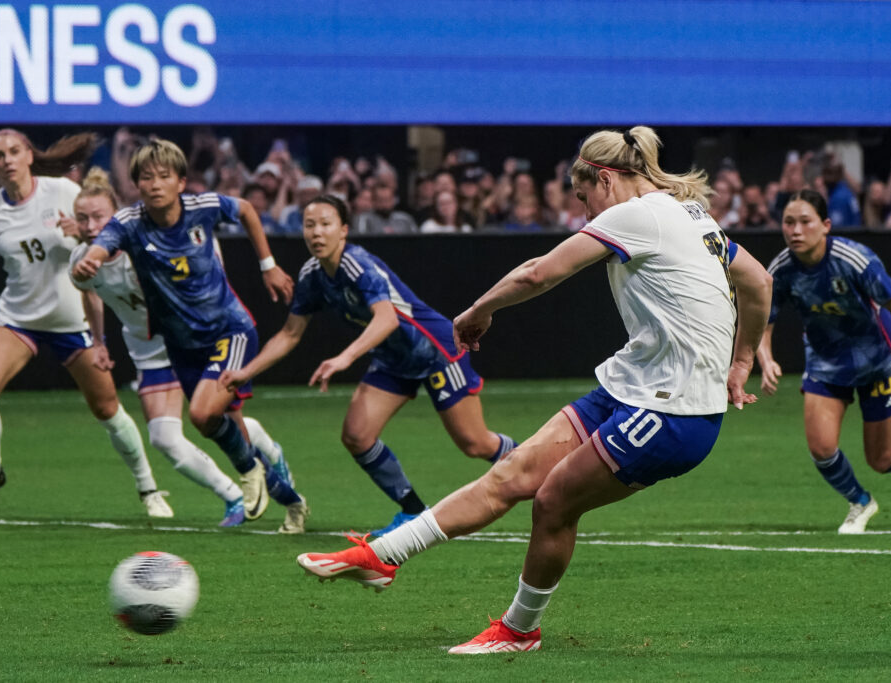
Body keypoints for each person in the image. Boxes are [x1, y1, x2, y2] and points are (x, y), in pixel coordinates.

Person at [295, 126, 773, 654]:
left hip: (674, 412)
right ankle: (384, 554)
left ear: (605, 179)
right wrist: (743, 358)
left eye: (583, 195)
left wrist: (478, 311)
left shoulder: (636, 213)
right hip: (633, 386)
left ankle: (520, 630)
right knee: (511, 472)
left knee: (552, 502)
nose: (586, 209)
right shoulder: (690, 213)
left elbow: (538, 273)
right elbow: (757, 282)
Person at [220, 194, 517, 535]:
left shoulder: (356, 263)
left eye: (326, 224)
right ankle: (413, 511)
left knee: (475, 444)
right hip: (393, 359)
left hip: (436, 350)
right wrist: (245, 372)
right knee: (357, 436)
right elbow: (289, 334)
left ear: (343, 230)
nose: (317, 233)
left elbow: (387, 319)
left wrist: (345, 358)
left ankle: (537, 464)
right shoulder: (312, 275)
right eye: (309, 225)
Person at [0, 128, 173, 517]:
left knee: (107, 409)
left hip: (73, 319)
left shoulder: (64, 193)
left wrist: (81, 232)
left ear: (29, 156)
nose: (7, 160)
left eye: (14, 151)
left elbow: (112, 229)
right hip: (19, 319)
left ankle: (148, 488)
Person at [71, 138, 310, 534]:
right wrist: (90, 261)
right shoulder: (128, 223)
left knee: (202, 413)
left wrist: (268, 265)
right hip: (178, 344)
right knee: (218, 422)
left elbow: (247, 209)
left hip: (227, 330)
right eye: (146, 177)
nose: (155, 184)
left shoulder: (201, 209)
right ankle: (289, 497)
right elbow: (101, 248)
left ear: (181, 181)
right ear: (136, 185)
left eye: (164, 176)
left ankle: (249, 472)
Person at [757, 189, 891, 534]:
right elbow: (762, 319)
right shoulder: (782, 269)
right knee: (821, 447)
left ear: (825, 225)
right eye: (789, 222)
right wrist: (766, 357)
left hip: (878, 362)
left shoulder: (855, 260)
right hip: (825, 364)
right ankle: (861, 502)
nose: (795, 230)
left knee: (881, 460)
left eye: (805, 222)